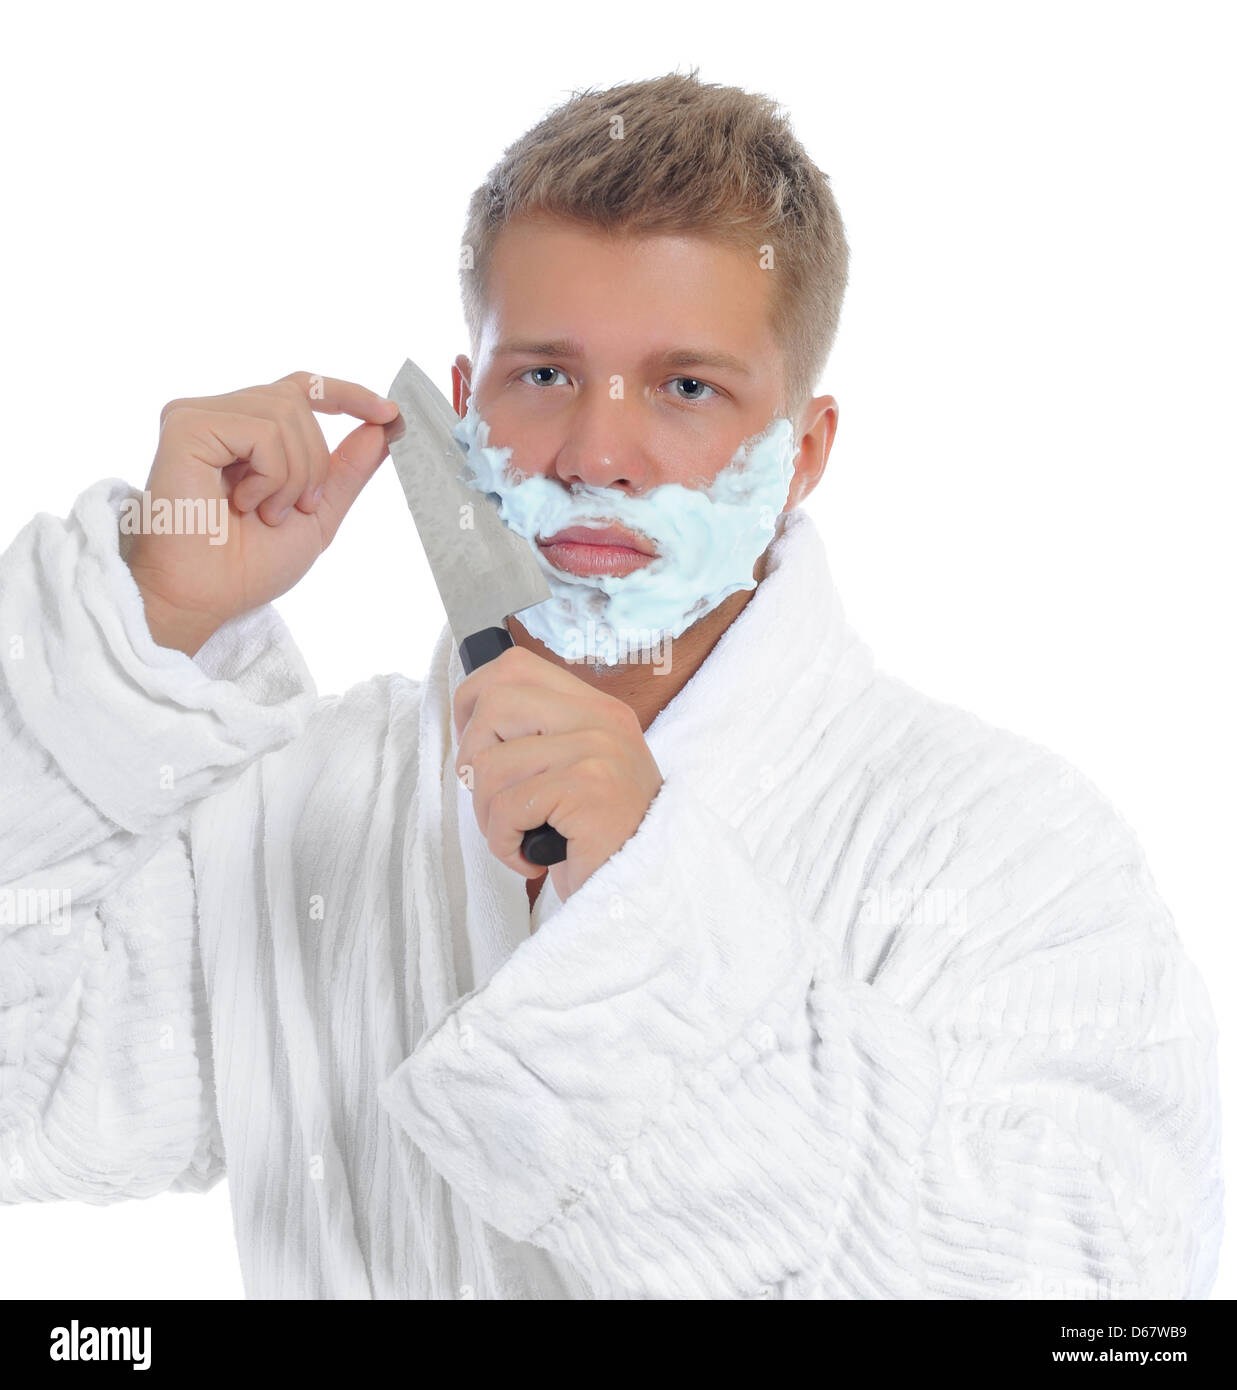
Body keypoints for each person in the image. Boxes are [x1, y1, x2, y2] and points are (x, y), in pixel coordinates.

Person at [0, 70, 1222, 1300]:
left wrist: (647, 910)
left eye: (687, 387)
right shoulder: (316, 809)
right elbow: (27, 1088)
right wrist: (148, 623)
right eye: (544, 376)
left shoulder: (1009, 851)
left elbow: (1106, 1299)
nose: (595, 455)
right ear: (463, 411)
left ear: (800, 452)